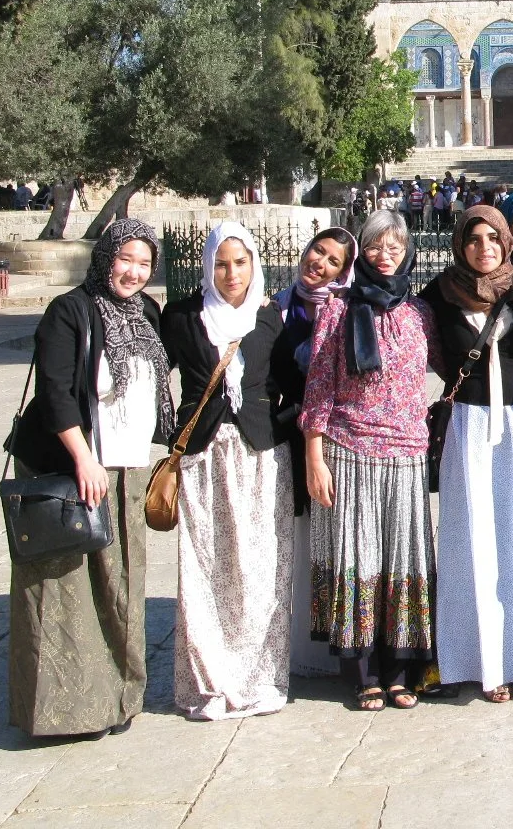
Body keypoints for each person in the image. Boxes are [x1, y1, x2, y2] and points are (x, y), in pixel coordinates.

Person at [8, 219, 172, 739]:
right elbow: (56, 391)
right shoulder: (70, 311)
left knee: (121, 585)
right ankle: (70, 713)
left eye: (144, 263)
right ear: (105, 258)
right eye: (126, 259)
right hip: (73, 468)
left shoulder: (147, 313)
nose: (134, 272)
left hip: (127, 469)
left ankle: (119, 698)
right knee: (68, 591)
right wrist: (82, 458)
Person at [299, 212, 439, 710]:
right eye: (375, 246)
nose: (385, 255)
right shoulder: (339, 309)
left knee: (402, 560)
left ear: (406, 252)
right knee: (359, 559)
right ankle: (364, 675)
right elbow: (318, 385)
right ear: (362, 252)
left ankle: (399, 671)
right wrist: (314, 456)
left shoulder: (419, 312)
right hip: (351, 449)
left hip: (407, 453)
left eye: (394, 246)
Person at [422, 206, 513, 702]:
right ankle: (476, 660)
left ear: (506, 242)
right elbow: (418, 344)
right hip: (469, 426)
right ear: (460, 245)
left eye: (493, 239)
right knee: (469, 538)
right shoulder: (438, 294)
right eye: (474, 239)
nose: (484, 248)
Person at [161, 222, 290, 720]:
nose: (232, 274)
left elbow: (292, 380)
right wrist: (171, 430)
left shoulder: (270, 317)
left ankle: (258, 678)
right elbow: (155, 374)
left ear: (254, 264)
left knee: (259, 571)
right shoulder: (181, 317)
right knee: (204, 570)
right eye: (221, 263)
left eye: (240, 263)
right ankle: (209, 683)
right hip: (204, 456)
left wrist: (280, 426)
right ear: (207, 266)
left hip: (260, 458)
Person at [268, 227, 358, 682]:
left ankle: (339, 641)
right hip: (288, 431)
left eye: (333, 261)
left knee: (332, 534)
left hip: (334, 435)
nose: (319, 263)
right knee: (297, 533)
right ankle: (299, 640)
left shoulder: (347, 311)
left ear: (344, 272)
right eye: (317, 251)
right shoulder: (277, 307)